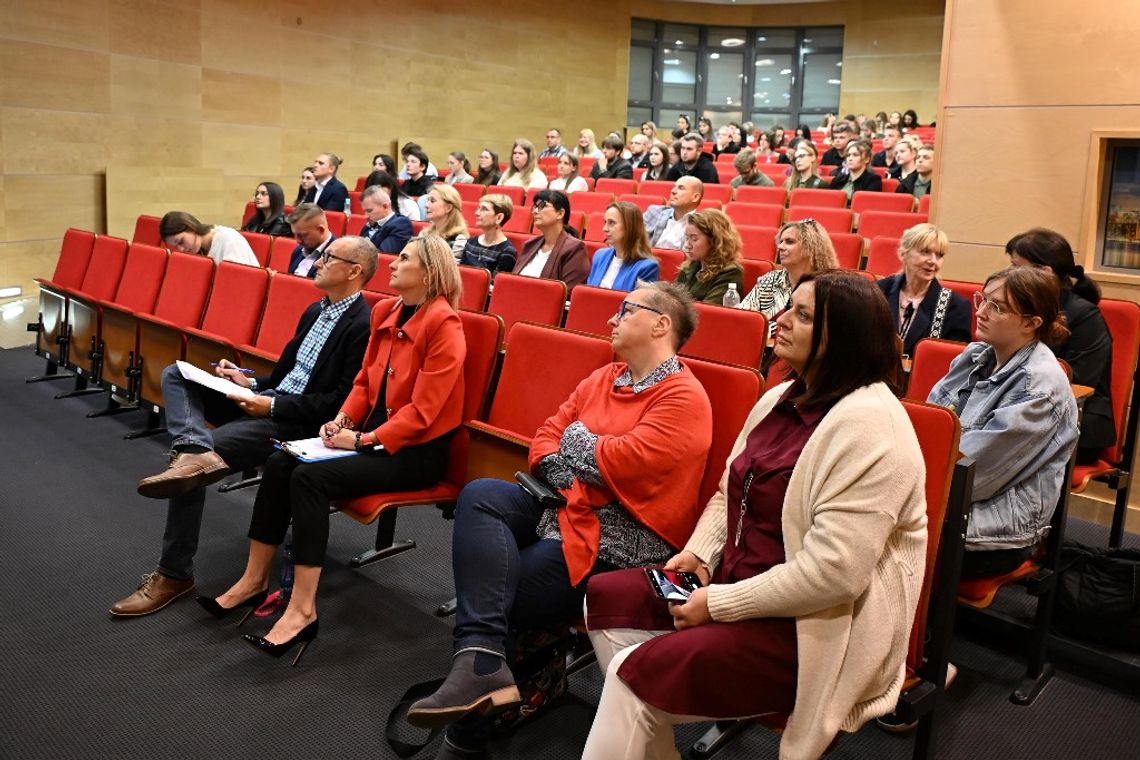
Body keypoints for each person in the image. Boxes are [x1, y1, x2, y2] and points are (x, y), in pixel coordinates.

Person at [580, 270, 927, 760]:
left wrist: (718, 604)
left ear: (843, 338)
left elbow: (834, 577)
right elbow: (728, 492)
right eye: (789, 307)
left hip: (810, 626)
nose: (780, 319)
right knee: (605, 597)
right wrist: (700, 552)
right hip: (731, 583)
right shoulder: (778, 398)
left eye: (802, 315)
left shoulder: (873, 429)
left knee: (633, 678)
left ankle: (643, 707)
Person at [405, 282, 714, 750]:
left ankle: (479, 711)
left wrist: (578, 443)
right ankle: (483, 658)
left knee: (499, 587)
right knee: (483, 493)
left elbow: (631, 461)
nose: (612, 320)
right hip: (564, 500)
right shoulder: (603, 377)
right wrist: (573, 458)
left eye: (625, 310)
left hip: (623, 537)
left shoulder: (684, 398)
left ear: (660, 323)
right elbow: (548, 434)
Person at [205, 236, 466, 659]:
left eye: (403, 259)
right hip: (369, 438)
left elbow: (423, 412)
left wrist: (362, 439)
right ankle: (253, 580)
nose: (392, 264)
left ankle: (302, 609)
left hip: (413, 452)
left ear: (430, 272)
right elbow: (363, 383)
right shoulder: (387, 310)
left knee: (309, 478)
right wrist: (342, 420)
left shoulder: (444, 325)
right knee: (279, 461)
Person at [111, 237, 374, 617]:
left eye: (328, 257)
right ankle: (193, 449)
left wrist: (270, 403)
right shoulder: (315, 311)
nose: (317, 262)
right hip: (268, 403)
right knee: (178, 374)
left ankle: (174, 574)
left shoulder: (362, 325)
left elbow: (339, 403)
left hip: (295, 423)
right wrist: (247, 383)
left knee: (191, 471)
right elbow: (286, 375)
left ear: (354, 271)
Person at [928, 266, 1078, 577]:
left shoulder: (1040, 388)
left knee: (875, 534)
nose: (981, 312)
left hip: (995, 531)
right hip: (947, 498)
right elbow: (931, 423)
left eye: (997, 307)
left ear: (1031, 323)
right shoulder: (975, 355)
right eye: (982, 299)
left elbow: (973, 478)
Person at [1006, 228, 1115, 462]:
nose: (1009, 275)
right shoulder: (1024, 307)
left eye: (1016, 268)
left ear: (1044, 272)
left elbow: (1077, 381)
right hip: (1026, 410)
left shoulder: (1087, 317)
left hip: (1077, 420)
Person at [876, 224, 972, 356]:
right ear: (903, 254)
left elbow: (954, 363)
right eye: (925, 252)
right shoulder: (878, 291)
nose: (933, 261)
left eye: (939, 255)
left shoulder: (955, 306)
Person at [739, 219, 838, 337]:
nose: (780, 246)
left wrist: (763, 328)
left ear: (811, 247)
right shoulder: (770, 279)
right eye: (780, 241)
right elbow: (742, 316)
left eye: (789, 242)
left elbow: (811, 331)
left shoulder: (827, 287)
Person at [512, 190, 589, 290]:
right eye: (535, 207)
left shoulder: (575, 249)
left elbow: (568, 293)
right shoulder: (529, 245)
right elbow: (512, 280)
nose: (535, 211)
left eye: (542, 206)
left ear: (560, 213)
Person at [673, 209, 745, 305]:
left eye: (694, 239)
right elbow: (672, 300)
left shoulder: (730, 272)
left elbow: (708, 312)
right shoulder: (690, 265)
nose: (687, 245)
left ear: (714, 241)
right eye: (687, 238)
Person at [587, 202, 660, 290]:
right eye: (605, 222)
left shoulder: (647, 267)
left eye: (612, 223)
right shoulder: (599, 256)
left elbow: (637, 303)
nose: (604, 228)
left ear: (629, 227)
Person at [160, 211, 259, 267]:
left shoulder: (227, 240)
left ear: (190, 227)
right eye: (176, 246)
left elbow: (240, 283)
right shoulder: (199, 249)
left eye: (181, 241)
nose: (181, 249)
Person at [460, 193, 517, 278]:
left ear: (499, 218)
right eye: (478, 208)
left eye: (484, 209)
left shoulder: (507, 252)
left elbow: (495, 286)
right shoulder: (471, 242)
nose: (476, 213)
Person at [643, 177, 704, 250]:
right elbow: (634, 239)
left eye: (681, 188)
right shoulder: (654, 212)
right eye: (674, 187)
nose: (673, 191)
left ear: (695, 197)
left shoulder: (701, 224)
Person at [285, 204, 336, 277]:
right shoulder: (298, 250)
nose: (298, 241)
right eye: (295, 234)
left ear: (321, 230)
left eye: (302, 235)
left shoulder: (337, 256)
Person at [359, 186, 413, 254]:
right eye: (364, 211)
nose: (366, 215)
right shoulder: (369, 225)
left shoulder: (401, 224)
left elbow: (382, 255)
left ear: (385, 207)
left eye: (369, 210)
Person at [421, 185, 469, 259]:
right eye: (427, 200)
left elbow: (451, 269)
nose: (426, 205)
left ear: (448, 208)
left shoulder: (458, 240)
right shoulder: (423, 234)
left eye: (432, 201)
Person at [830, 140, 883, 204]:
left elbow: (867, 204)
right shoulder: (837, 180)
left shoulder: (873, 180)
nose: (850, 158)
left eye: (855, 155)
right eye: (848, 155)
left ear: (867, 159)